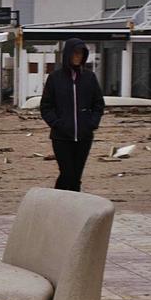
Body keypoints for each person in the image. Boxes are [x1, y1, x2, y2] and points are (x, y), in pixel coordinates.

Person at [40, 37, 105, 192]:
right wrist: (57, 123)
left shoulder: (89, 78)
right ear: (68, 54)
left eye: (81, 53)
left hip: (84, 137)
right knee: (67, 173)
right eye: (75, 53)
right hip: (61, 137)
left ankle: (70, 206)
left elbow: (98, 104)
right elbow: (46, 106)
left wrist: (92, 123)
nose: (78, 56)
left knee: (76, 177)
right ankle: (59, 201)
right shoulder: (55, 78)